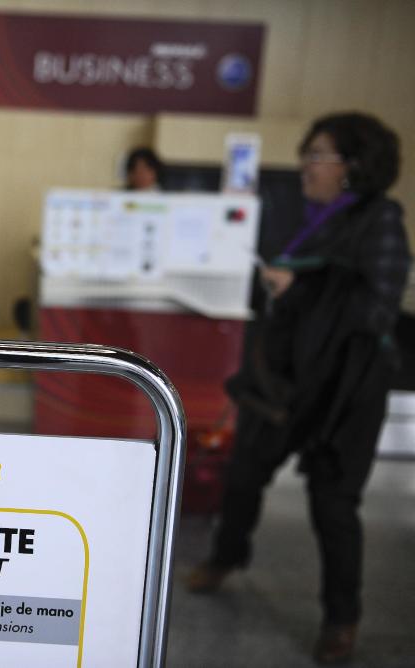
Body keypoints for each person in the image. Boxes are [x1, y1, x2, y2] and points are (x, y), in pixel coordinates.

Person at [187, 112, 411, 664]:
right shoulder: (310, 218)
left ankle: (342, 618)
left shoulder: (380, 219)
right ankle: (227, 556)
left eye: (318, 156)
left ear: (352, 166)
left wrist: (303, 284)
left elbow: (376, 308)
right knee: (244, 473)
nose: (306, 165)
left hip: (345, 391)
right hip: (285, 382)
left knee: (333, 504)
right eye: (307, 154)